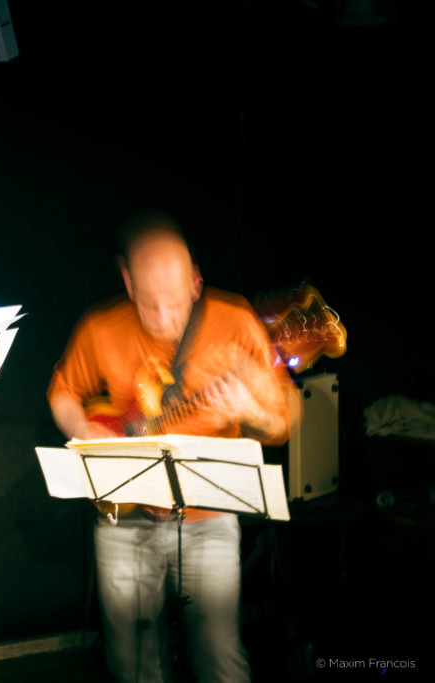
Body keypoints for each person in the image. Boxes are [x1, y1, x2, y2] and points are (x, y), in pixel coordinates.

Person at [46, 211, 297, 683]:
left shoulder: (236, 321)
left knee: (220, 658)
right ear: (127, 281)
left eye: (176, 303)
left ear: (197, 283)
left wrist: (252, 410)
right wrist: (82, 426)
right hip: (123, 519)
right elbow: (61, 392)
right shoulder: (101, 327)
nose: (163, 319)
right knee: (133, 664)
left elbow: (281, 424)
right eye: (149, 304)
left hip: (208, 519)